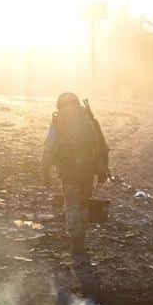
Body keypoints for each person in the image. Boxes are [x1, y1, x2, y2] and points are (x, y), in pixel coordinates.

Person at [41, 92, 109, 255]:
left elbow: (49, 148)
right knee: (84, 203)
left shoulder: (58, 121)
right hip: (88, 172)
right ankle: (82, 237)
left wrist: (46, 173)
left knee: (72, 204)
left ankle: (76, 239)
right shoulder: (89, 119)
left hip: (68, 172)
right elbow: (102, 147)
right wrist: (103, 171)